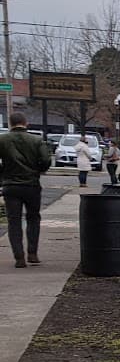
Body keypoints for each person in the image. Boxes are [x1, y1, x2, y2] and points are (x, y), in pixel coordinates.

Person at [0, 112, 54, 267]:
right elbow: (46, 160)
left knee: (14, 221)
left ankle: (19, 257)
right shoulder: (36, 140)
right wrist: (38, 170)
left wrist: (2, 174)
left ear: (10, 123)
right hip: (31, 184)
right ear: (26, 123)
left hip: (10, 185)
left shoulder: (3, 140)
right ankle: (32, 253)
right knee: (33, 218)